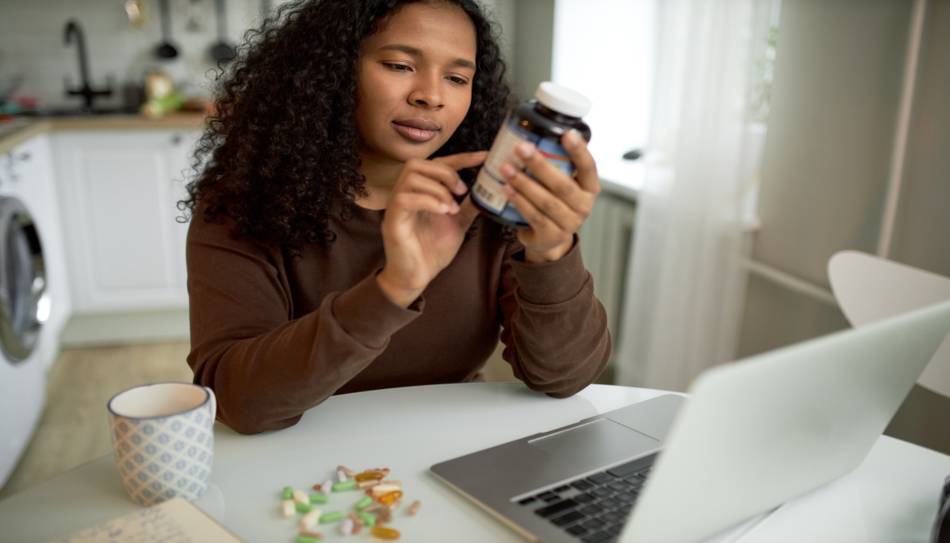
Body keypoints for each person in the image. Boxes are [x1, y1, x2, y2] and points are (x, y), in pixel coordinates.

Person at [181, 0, 611, 435]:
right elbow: (238, 402)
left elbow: (564, 377)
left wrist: (551, 254)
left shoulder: (491, 202)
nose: (431, 95)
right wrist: (392, 289)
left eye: (457, 77)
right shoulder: (243, 204)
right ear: (334, 68)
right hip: (303, 463)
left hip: (445, 451)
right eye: (400, 65)